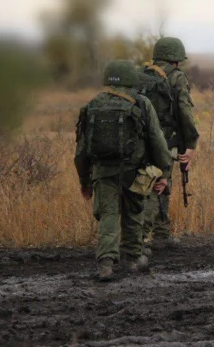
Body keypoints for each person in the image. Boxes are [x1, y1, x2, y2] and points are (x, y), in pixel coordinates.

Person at [74, 60, 172, 280]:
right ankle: (132, 260)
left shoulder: (93, 104)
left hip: (102, 172)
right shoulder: (142, 102)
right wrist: (164, 173)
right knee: (134, 215)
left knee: (108, 217)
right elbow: (157, 141)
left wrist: (84, 181)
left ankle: (106, 265)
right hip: (134, 171)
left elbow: (81, 151)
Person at [138, 37, 199, 250]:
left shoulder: (141, 74)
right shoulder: (176, 77)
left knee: (157, 181)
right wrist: (191, 143)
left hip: (138, 139)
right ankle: (139, 240)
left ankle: (162, 234)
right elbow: (185, 112)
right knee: (159, 183)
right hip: (164, 139)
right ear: (176, 60)